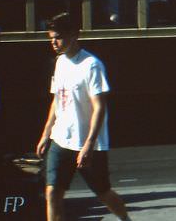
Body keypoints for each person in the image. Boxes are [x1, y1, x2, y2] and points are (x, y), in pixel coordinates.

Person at [35, 12, 131, 221]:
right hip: (61, 140)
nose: (54, 42)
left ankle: (126, 219)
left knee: (103, 192)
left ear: (74, 35)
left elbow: (99, 108)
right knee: (52, 193)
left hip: (88, 145)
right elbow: (57, 101)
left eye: (58, 37)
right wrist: (46, 134)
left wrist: (88, 144)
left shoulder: (92, 65)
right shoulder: (59, 62)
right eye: (51, 37)